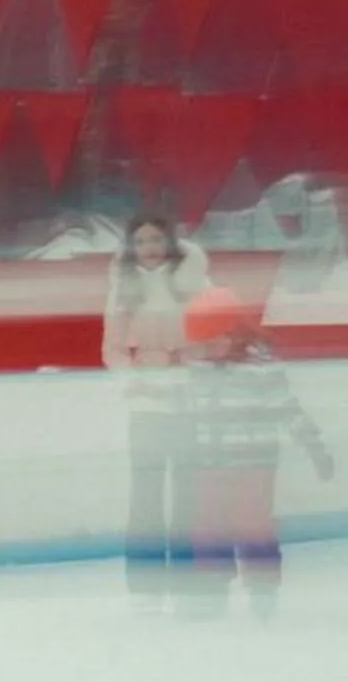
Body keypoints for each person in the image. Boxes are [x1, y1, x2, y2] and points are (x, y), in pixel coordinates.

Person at [177, 288, 333, 620]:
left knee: (253, 525)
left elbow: (286, 407)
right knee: (207, 525)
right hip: (209, 460)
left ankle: (263, 589)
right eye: (200, 344)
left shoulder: (261, 366)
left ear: (234, 333)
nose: (206, 350)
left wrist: (313, 445)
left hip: (254, 461)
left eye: (212, 342)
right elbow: (187, 410)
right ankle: (212, 589)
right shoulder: (198, 365)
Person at [102, 213, 211, 602]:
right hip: (147, 404)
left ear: (170, 244)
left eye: (156, 240)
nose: (150, 248)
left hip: (189, 400)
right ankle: (145, 587)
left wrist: (194, 360)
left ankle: (186, 582)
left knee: (188, 494)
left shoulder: (194, 284)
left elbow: (217, 336)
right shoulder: (124, 288)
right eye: (143, 241)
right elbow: (113, 349)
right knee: (146, 494)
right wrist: (135, 379)